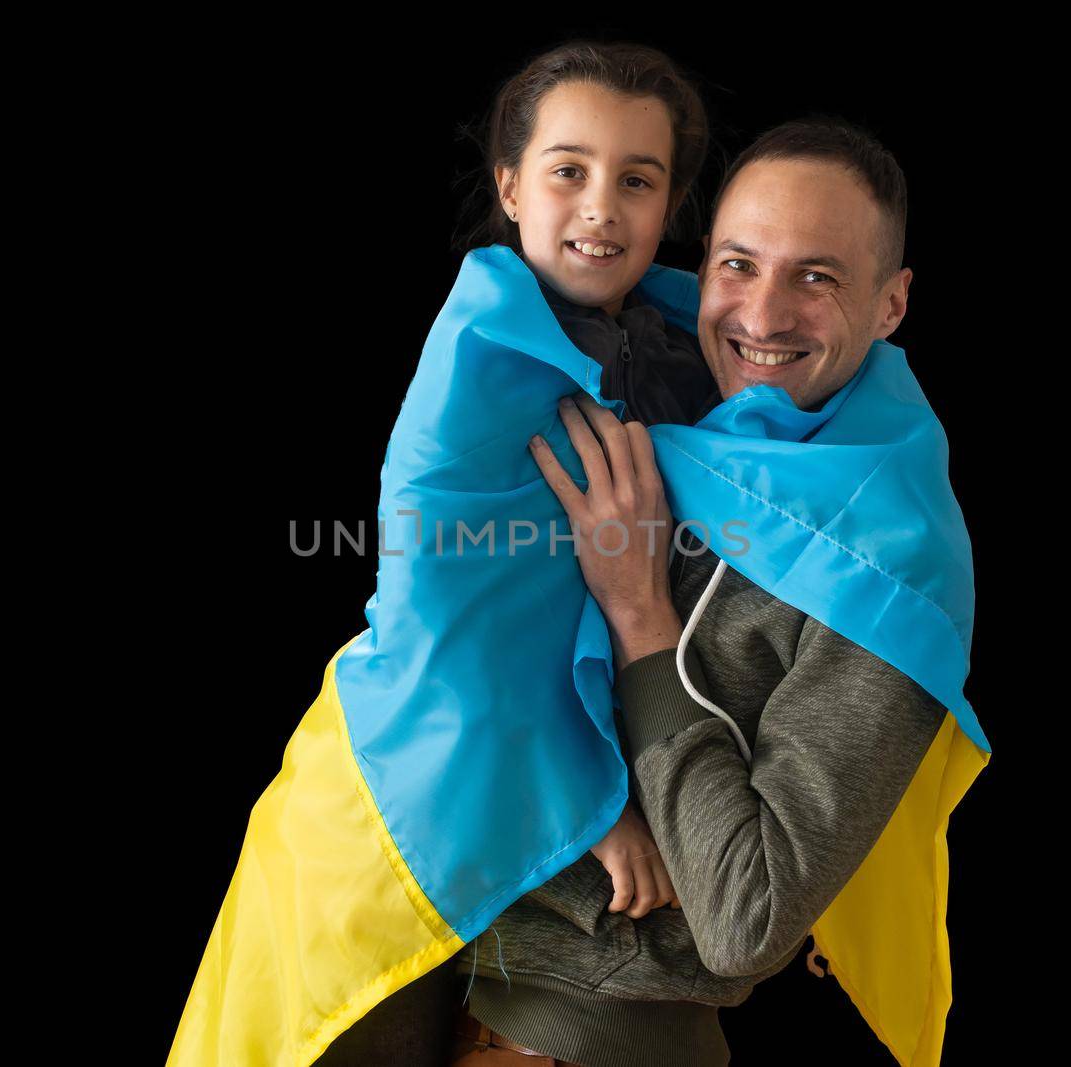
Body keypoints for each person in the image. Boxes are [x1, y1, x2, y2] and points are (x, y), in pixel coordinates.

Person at [449, 119, 951, 1067]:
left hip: (576, 1037)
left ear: (891, 303)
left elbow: (744, 919)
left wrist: (640, 613)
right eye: (737, 264)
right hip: (456, 975)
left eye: (817, 276)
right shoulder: (667, 393)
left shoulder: (889, 574)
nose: (760, 316)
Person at [313, 39, 713, 1067]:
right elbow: (442, 630)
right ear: (509, 185)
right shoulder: (481, 365)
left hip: (492, 806)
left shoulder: (662, 349)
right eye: (568, 170)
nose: (601, 207)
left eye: (637, 179)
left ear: (669, 205)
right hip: (396, 795)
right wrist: (596, 808)